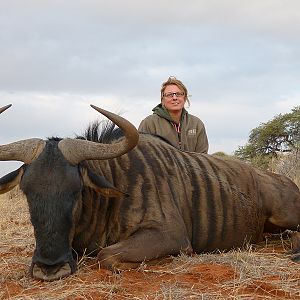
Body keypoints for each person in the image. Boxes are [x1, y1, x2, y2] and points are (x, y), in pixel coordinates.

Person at [138, 76, 209, 153]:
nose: (175, 98)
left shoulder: (196, 124)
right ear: (162, 100)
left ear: (184, 98)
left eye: (178, 94)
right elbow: (141, 153)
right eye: (169, 95)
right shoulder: (149, 123)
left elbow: (203, 156)